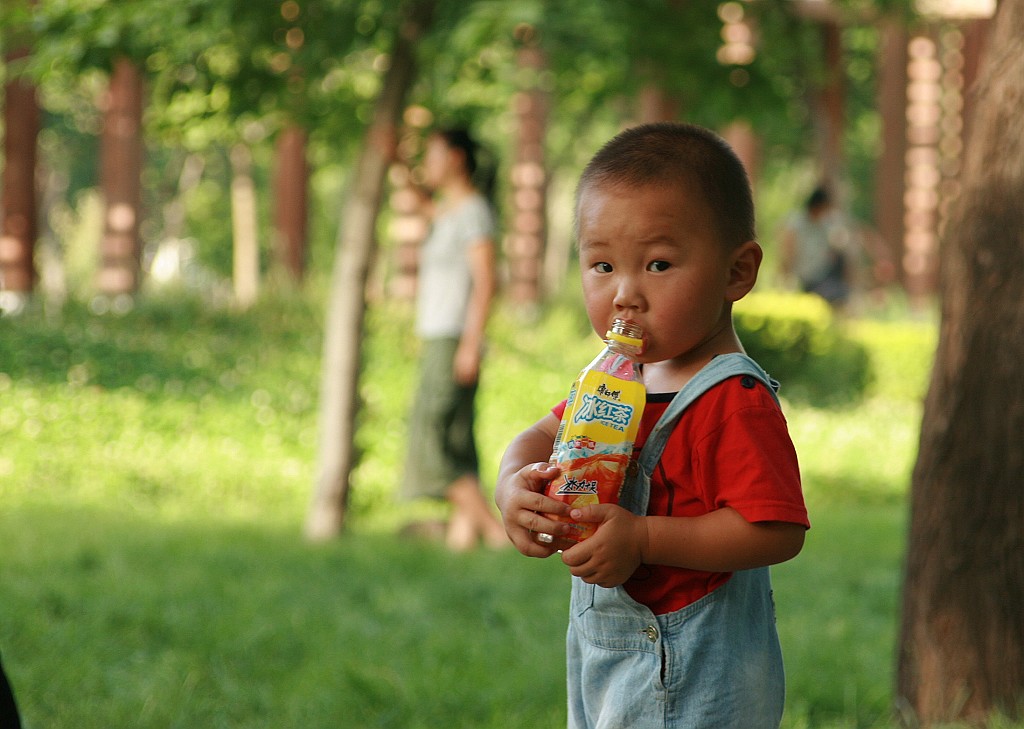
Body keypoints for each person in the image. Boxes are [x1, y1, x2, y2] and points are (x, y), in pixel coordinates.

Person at [495, 122, 810, 728]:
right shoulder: (614, 380)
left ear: (736, 273)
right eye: (602, 265)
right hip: (607, 665)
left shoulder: (730, 398)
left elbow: (772, 530)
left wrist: (642, 539)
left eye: (659, 263)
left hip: (698, 678)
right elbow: (537, 437)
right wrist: (514, 486)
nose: (624, 294)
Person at [402, 127, 507, 552]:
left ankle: (497, 534)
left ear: (456, 159)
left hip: (453, 338)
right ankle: (464, 543)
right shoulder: (447, 212)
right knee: (458, 438)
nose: (426, 165)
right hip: (439, 338)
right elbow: (419, 198)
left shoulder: (473, 213)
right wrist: (395, 158)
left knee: (432, 439)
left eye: (432, 155)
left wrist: (470, 343)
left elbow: (486, 282)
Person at [779, 185, 853, 307]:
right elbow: (788, 252)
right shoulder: (796, 223)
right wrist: (787, 278)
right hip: (805, 278)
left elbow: (840, 242)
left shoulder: (825, 225)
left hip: (824, 275)